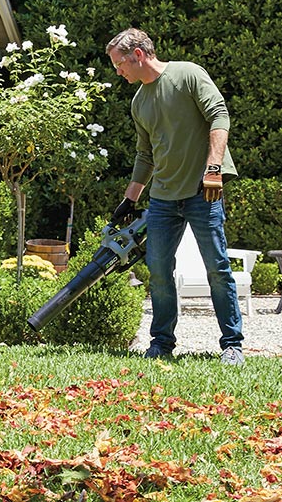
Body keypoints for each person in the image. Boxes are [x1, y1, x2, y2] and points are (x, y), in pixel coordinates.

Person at [106, 28, 244, 365]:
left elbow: (219, 116)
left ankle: (232, 345)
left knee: (217, 267)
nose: (118, 72)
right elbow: (145, 155)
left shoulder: (188, 74)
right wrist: (130, 199)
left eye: (119, 64)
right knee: (158, 269)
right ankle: (162, 343)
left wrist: (213, 169)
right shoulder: (140, 102)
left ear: (138, 54)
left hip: (201, 191)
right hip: (164, 198)